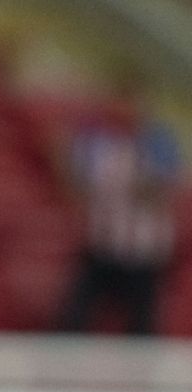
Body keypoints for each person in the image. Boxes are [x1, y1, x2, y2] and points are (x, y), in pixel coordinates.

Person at [58, 78, 181, 335]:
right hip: (102, 245)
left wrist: (137, 174)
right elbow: (77, 186)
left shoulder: (157, 141)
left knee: (141, 323)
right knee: (74, 315)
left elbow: (160, 190)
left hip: (141, 250)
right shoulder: (97, 141)